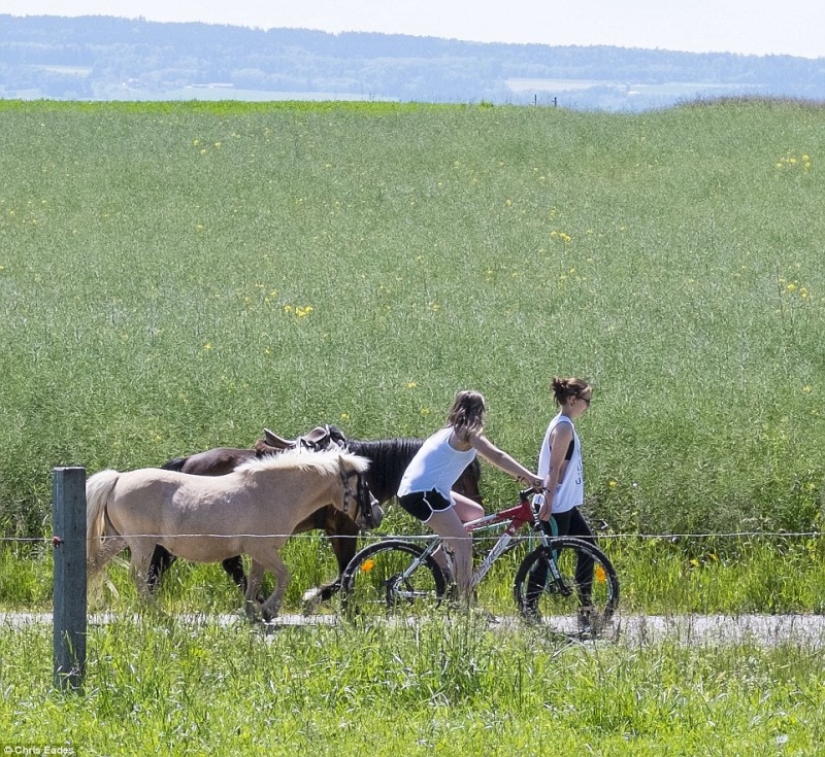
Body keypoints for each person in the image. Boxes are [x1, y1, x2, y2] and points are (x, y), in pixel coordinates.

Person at [397, 390, 544, 603]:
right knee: (463, 543)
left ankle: (440, 562)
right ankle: (466, 604)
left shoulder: (450, 430)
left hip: (429, 489)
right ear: (479, 412)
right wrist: (530, 477)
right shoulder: (468, 432)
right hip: (422, 493)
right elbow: (497, 456)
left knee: (475, 513)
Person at [532, 376, 597, 628]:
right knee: (548, 558)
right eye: (586, 400)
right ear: (572, 399)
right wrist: (548, 499)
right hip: (557, 506)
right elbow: (554, 468)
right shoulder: (563, 427)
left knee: (588, 547)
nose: (588, 406)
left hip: (566, 505)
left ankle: (585, 607)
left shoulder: (565, 425)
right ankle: (529, 607)